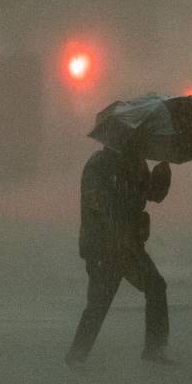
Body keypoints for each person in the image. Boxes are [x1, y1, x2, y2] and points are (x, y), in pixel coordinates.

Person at [66, 141, 174, 367]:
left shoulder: (135, 162)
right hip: (104, 245)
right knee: (99, 301)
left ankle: (154, 348)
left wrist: (161, 178)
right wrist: (121, 227)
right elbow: (101, 205)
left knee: (155, 286)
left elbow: (150, 195)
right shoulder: (99, 165)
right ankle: (77, 355)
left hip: (129, 245)